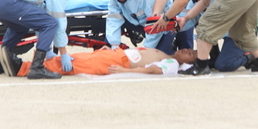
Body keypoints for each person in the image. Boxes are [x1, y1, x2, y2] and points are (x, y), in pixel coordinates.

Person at [105, 0, 176, 54]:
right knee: (109, 37)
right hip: (138, 23)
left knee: (160, 57)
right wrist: (114, 45)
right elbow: (114, 19)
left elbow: (154, 25)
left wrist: (145, 50)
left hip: (162, 26)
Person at [12, 46, 198, 76]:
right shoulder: (166, 54)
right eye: (191, 48)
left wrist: (125, 72)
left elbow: (152, 71)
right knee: (77, 58)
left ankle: (22, 68)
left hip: (120, 62)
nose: (188, 50)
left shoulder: (172, 64)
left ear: (188, 63)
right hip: (116, 54)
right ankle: (25, 65)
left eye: (191, 54)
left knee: (77, 64)